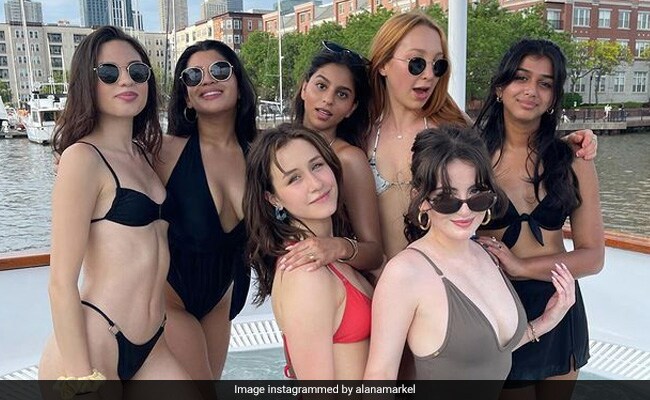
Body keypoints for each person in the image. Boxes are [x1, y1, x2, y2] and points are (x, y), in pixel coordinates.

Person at [367, 11, 599, 261]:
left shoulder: (455, 129)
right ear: (383, 63)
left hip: (446, 276)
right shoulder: (361, 131)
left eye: (439, 65)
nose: (429, 74)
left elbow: (513, 144)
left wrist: (563, 148)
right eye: (416, 63)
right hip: (383, 275)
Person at [364, 126, 576, 398]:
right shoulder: (405, 274)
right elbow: (379, 377)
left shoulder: (487, 254)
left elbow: (486, 355)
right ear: (422, 199)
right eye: (447, 198)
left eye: (477, 194)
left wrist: (546, 321)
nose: (465, 210)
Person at [39, 26, 189, 384]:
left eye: (137, 71)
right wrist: (81, 379)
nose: (126, 80)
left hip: (153, 342)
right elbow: (60, 283)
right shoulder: (82, 159)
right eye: (109, 72)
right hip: (95, 341)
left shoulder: (145, 155)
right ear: (87, 83)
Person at [474, 39, 604, 399]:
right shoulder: (471, 158)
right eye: (521, 78)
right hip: (500, 307)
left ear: (553, 98)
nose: (531, 90)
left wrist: (521, 267)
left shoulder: (573, 159)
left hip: (560, 305)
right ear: (500, 87)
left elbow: (593, 257)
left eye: (545, 83)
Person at [153, 39, 257, 380]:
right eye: (193, 75)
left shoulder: (262, 154)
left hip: (222, 299)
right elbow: (105, 159)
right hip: (169, 297)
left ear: (238, 85)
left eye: (219, 70)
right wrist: (68, 156)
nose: (207, 79)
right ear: (186, 97)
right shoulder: (163, 152)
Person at [245, 124, 373, 379]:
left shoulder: (329, 252)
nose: (316, 184)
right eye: (294, 178)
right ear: (273, 198)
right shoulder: (306, 274)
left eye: (317, 166)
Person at [282, 41, 383, 277]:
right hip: (283, 279)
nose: (328, 99)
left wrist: (336, 247)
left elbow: (375, 253)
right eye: (321, 86)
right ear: (304, 88)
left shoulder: (349, 159)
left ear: (351, 108)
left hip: (331, 282)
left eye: (342, 94)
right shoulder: (276, 148)